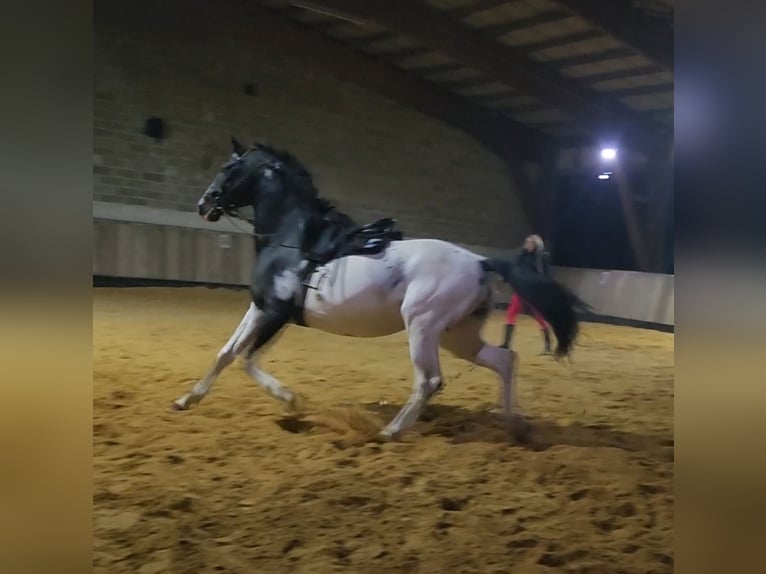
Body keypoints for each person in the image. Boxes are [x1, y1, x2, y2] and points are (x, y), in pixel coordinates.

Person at [500, 234, 552, 354]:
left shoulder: (540, 259)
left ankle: (548, 346)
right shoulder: (520, 257)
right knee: (511, 314)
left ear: (536, 245)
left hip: (532, 292)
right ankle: (506, 344)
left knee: (539, 318)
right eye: (527, 242)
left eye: (531, 242)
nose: (528, 244)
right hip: (520, 290)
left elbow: (544, 275)